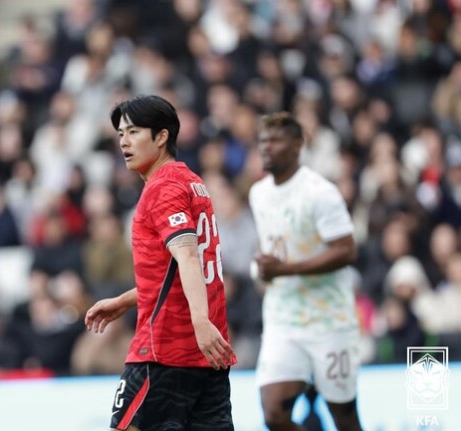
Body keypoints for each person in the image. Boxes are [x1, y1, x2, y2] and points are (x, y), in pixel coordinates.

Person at [85, 94, 236, 431]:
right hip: (207, 355)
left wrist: (199, 321)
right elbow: (176, 271)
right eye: (121, 134)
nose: (124, 142)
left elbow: (188, 255)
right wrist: (126, 300)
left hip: (164, 351)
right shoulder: (192, 182)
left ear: (162, 136)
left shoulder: (163, 188)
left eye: (134, 132)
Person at [248, 112, 363, 431]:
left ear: (298, 144)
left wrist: (286, 270)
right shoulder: (258, 193)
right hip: (283, 319)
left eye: (276, 140)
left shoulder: (319, 192)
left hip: (329, 321)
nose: (267, 147)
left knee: (344, 417)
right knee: (274, 414)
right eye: (263, 141)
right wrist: (263, 270)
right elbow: (272, 247)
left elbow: (346, 250)